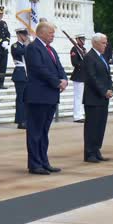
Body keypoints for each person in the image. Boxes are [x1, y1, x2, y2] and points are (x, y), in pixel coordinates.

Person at [24, 22, 68, 175]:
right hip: (38, 96)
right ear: (41, 33)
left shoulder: (51, 50)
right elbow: (39, 70)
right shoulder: (33, 48)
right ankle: (35, 164)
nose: (53, 35)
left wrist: (64, 79)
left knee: (44, 132)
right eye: (50, 33)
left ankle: (43, 161)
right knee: (35, 132)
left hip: (50, 96)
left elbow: (59, 68)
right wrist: (57, 82)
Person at [83, 33, 113, 163]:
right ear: (95, 43)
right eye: (103, 43)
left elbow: (107, 76)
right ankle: (89, 152)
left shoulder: (102, 57)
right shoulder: (90, 57)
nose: (105, 45)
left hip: (103, 98)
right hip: (93, 97)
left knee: (100, 126)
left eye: (105, 43)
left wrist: (111, 89)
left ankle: (96, 150)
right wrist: (103, 91)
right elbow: (91, 77)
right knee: (92, 126)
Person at [11, 28, 29, 129]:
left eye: (26, 35)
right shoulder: (15, 46)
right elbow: (21, 52)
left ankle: (26, 119)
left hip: (26, 74)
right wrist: (28, 45)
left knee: (26, 98)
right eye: (23, 35)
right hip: (20, 74)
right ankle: (20, 120)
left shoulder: (25, 46)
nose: (25, 36)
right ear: (19, 35)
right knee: (20, 99)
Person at [70, 34, 87, 123]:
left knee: (83, 96)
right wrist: (83, 64)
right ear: (77, 39)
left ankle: (81, 114)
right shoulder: (74, 49)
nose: (83, 40)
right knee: (78, 97)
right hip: (78, 75)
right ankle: (77, 116)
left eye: (84, 39)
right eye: (81, 39)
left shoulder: (83, 49)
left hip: (84, 76)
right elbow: (74, 63)